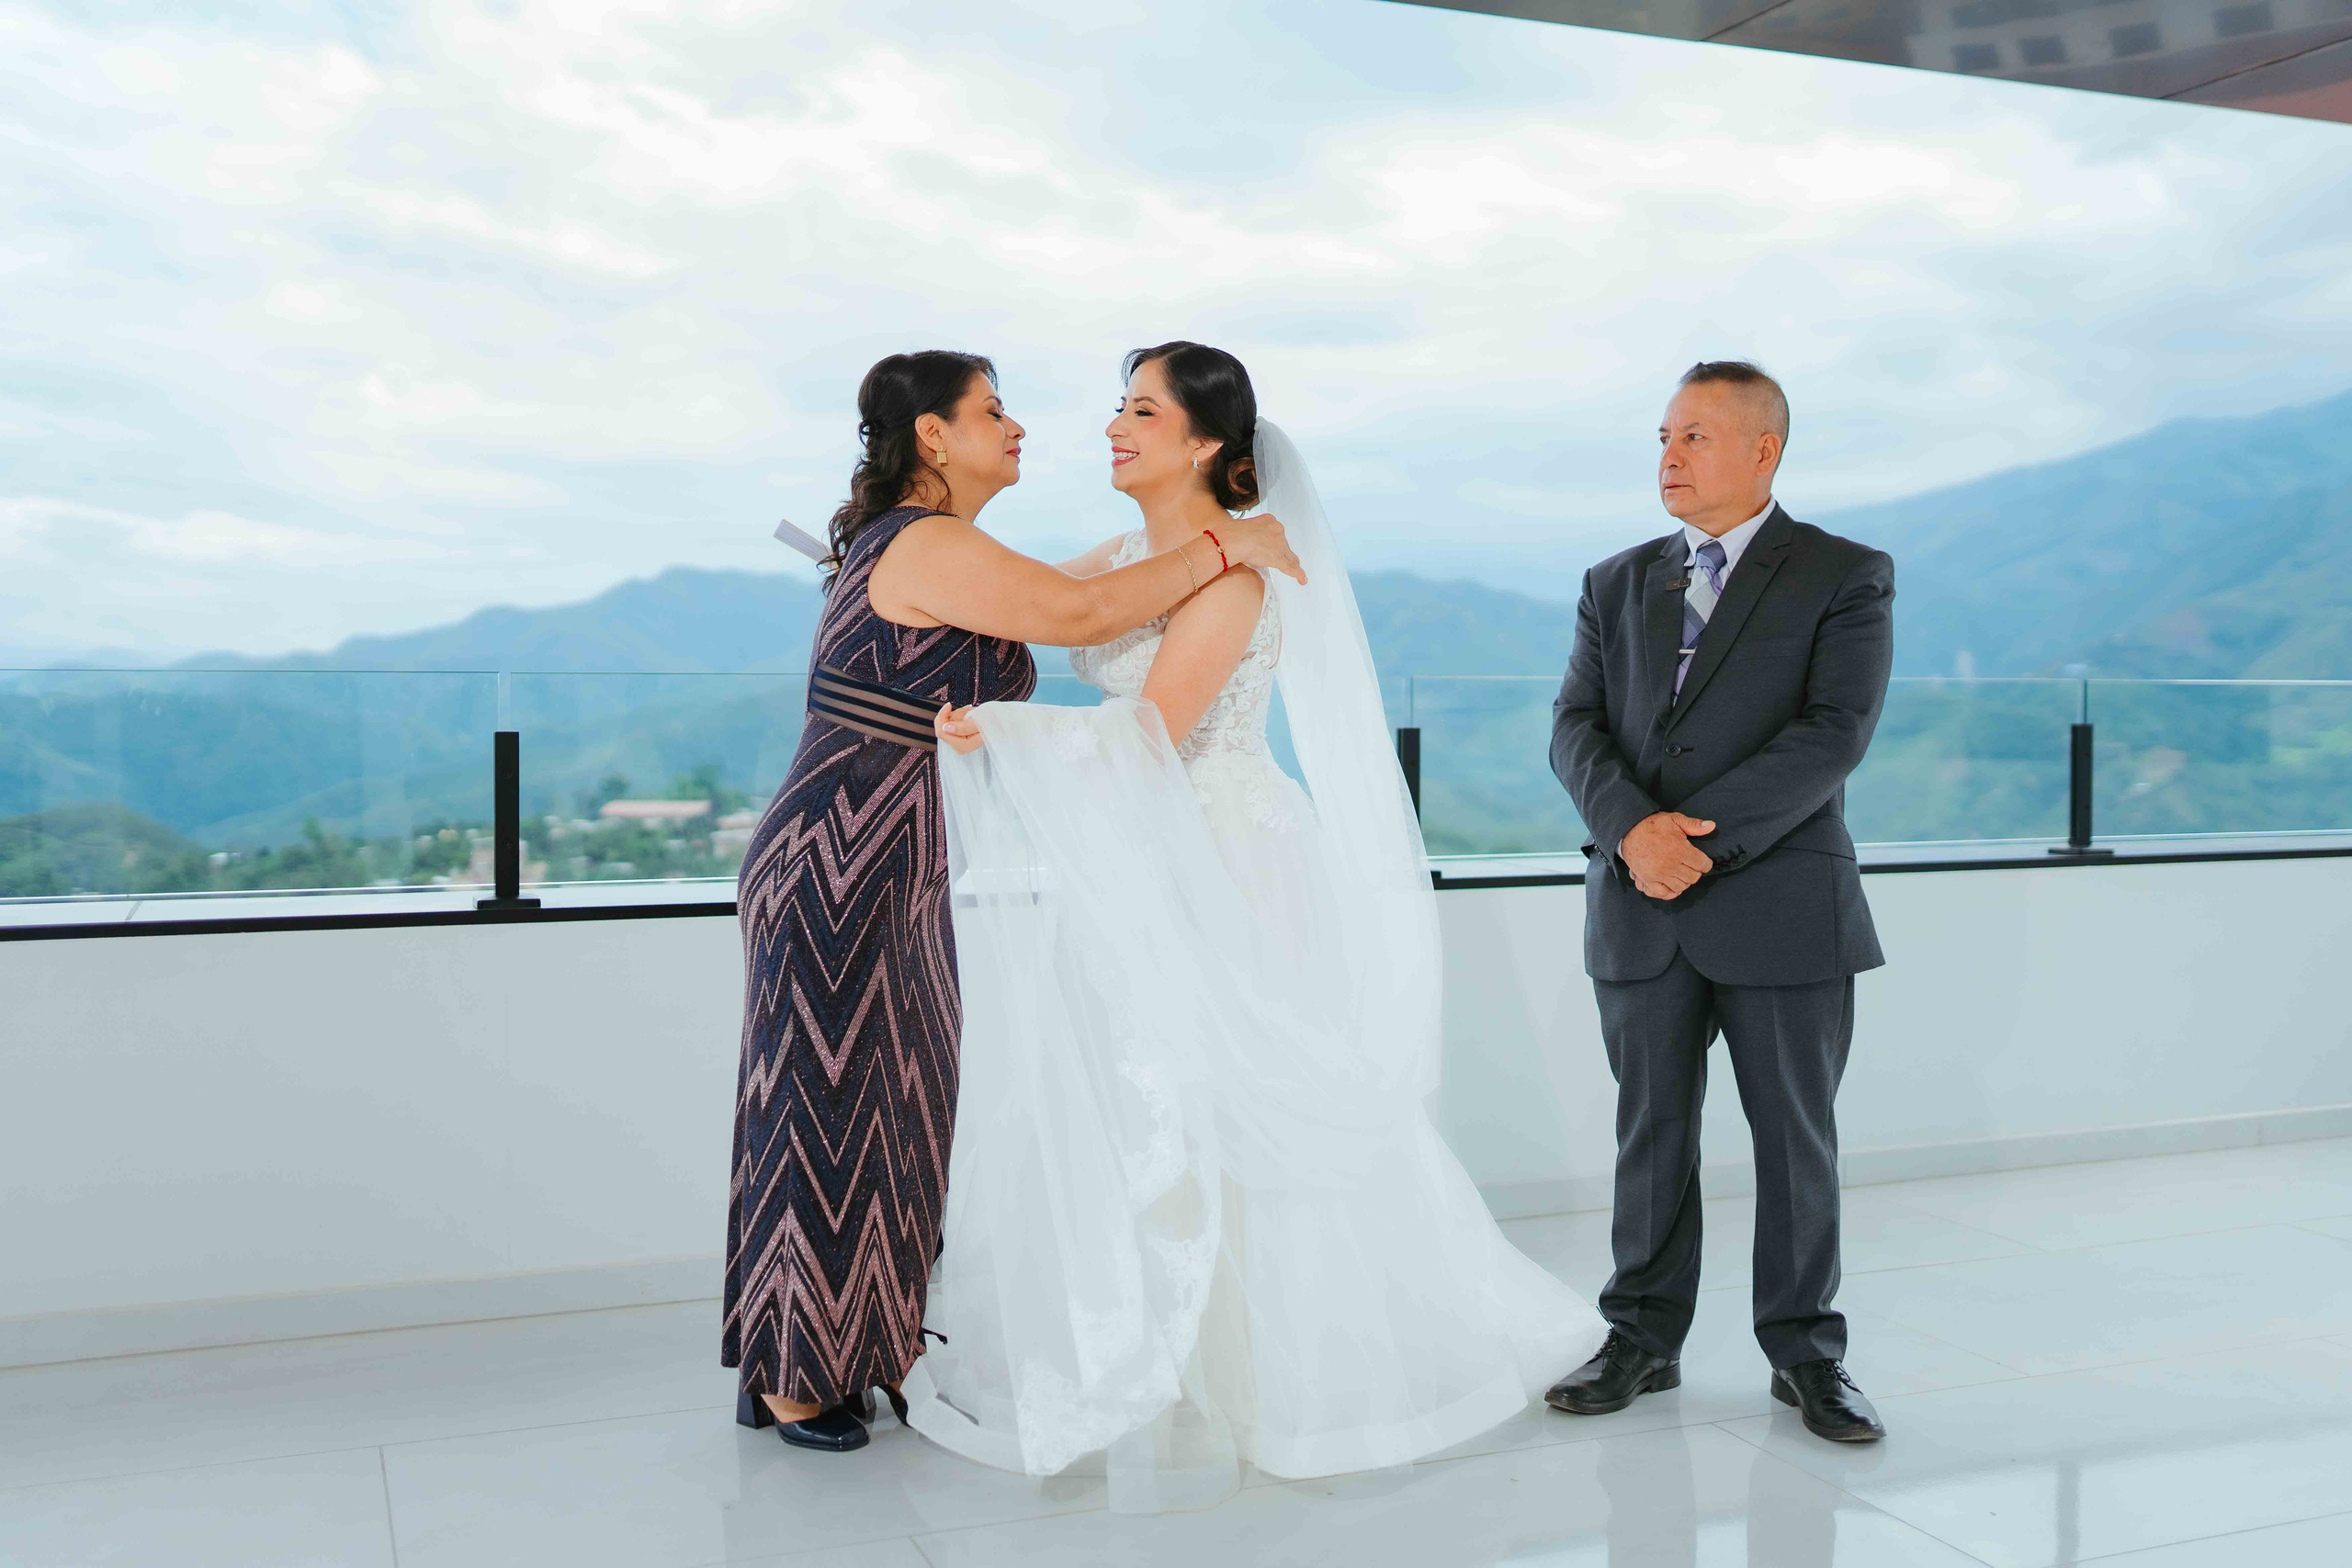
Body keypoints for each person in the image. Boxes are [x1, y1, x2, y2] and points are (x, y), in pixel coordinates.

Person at [908, 342, 1603, 1511]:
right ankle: (1169, 1357)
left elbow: (1154, 735)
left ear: (1205, 444)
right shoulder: (1127, 557)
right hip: (1141, 860)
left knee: (1246, 1096)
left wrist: (1009, 732)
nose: (1114, 428)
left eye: (1141, 411)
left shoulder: (1232, 579)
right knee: (1152, 1095)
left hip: (1226, 853)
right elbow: (1033, 605)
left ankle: (1285, 1372)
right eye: (1118, 407)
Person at [724, 350, 1304, 1455]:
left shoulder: (954, 547)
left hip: (903, 854)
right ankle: (792, 1374)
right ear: (933, 435)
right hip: (840, 853)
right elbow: (1081, 614)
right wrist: (1235, 543)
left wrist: (1214, 550)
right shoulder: (925, 541)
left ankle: (870, 1345)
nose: (1021, 426)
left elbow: (1100, 594)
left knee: (903, 1104)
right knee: (823, 1100)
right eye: (994, 410)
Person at [1545, 360, 1894, 1442]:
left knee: (1795, 1138)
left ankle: (1807, 1356)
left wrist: (1687, 842)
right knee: (1649, 1133)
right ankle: (1640, 1341)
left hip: (1780, 900)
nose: (1669, 456)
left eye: (1694, 436)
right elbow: (1574, 726)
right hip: (1638, 901)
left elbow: (1832, 734)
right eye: (1662, 436)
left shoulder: (1844, 573)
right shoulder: (1614, 581)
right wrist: (1632, 834)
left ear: (1762, 449)